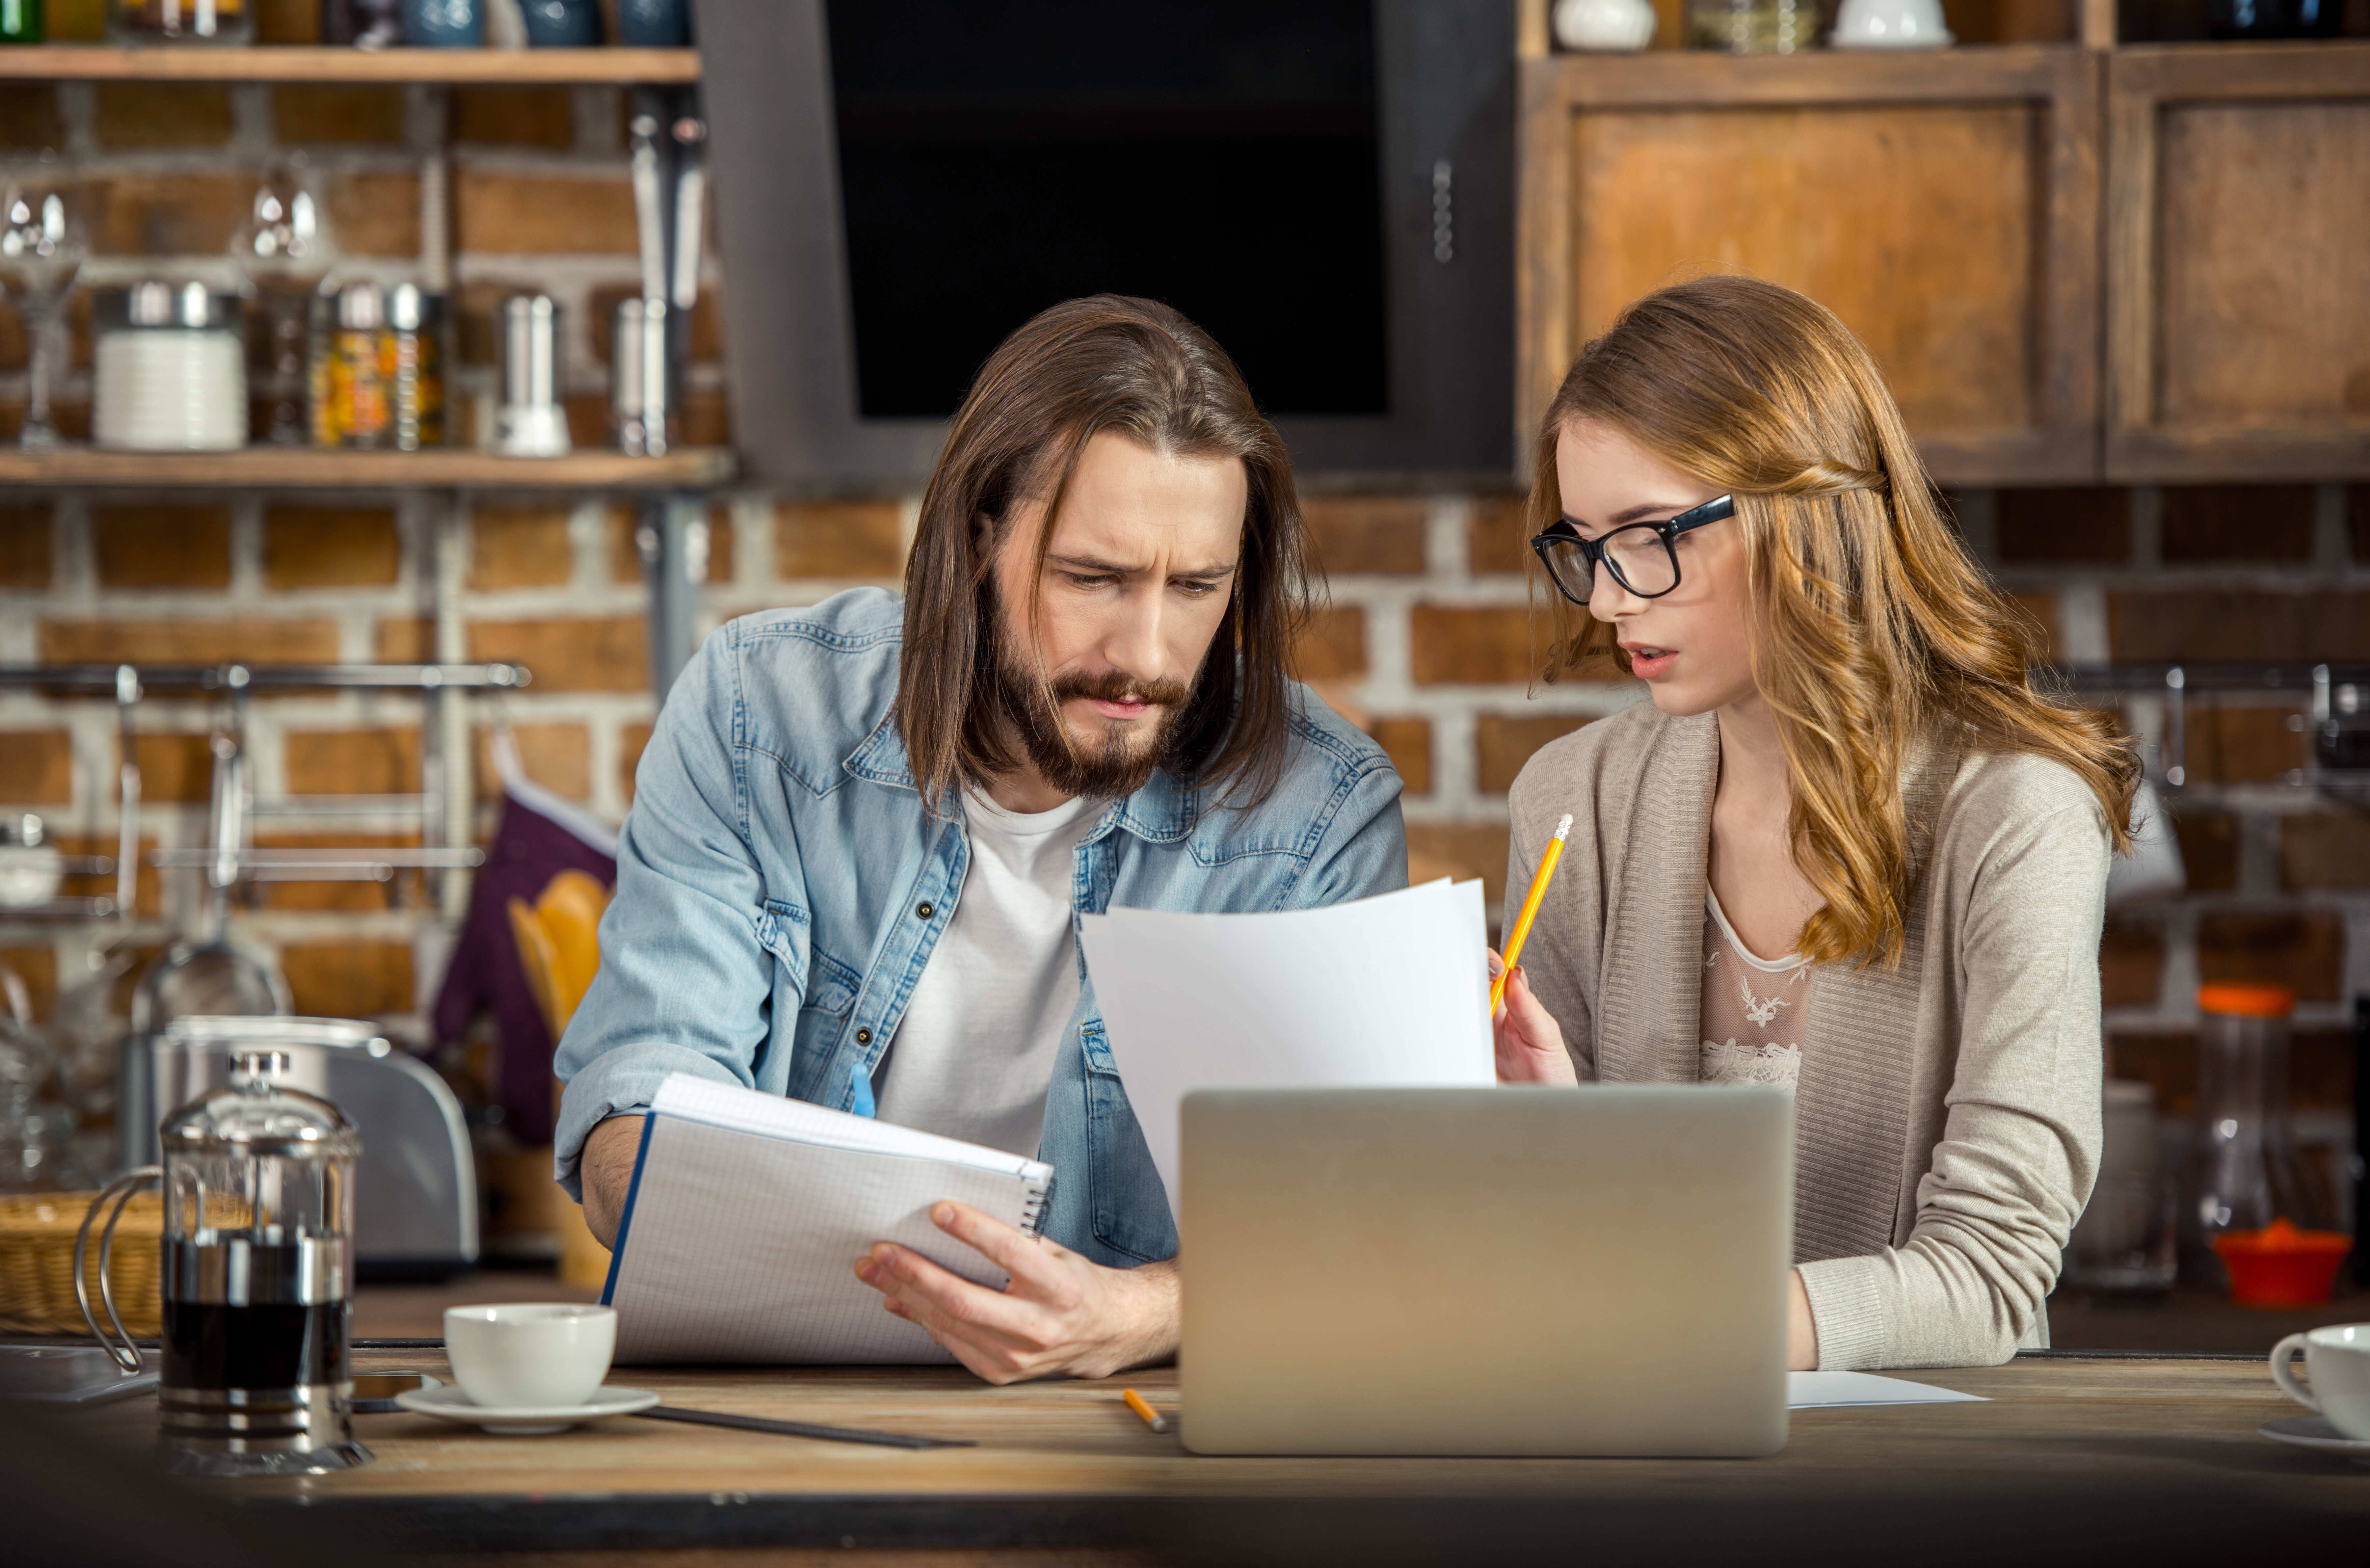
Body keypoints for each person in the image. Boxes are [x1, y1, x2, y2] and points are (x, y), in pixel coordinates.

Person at [554, 295, 1406, 1383]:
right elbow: (640, 1100)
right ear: (976, 539)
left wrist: (1143, 1311)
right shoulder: (759, 711)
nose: (1144, 652)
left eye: (1196, 587)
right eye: (1092, 578)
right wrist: (675, 1193)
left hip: (1121, 1419)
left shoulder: (1319, 811)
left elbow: (1351, 1219)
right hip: (797, 1398)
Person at [1491, 276, 2139, 1371]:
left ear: (1805, 516)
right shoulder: (1572, 801)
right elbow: (1553, 1264)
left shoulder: (2015, 816)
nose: (1605, 600)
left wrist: (1679, 1317)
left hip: (1920, 1492)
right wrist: (1551, 1151)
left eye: (1649, 536)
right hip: (1648, 1461)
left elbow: (1990, 1271)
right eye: (1585, 545)